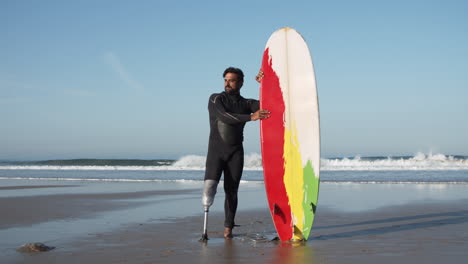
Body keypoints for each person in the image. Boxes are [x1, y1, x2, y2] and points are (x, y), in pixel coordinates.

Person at [202, 67, 269, 239]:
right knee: (209, 189)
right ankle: (205, 230)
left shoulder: (246, 103)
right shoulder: (216, 98)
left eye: (231, 80)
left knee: (232, 191)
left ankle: (228, 229)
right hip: (216, 153)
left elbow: (269, 105)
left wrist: (264, 84)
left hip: (236, 153)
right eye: (225, 80)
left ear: (240, 82)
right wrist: (250, 117)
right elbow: (225, 117)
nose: (227, 83)